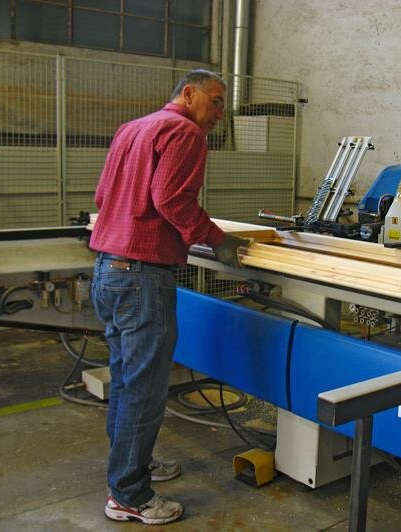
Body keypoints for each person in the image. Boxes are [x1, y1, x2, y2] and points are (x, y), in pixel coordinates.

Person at [89, 69, 248, 525]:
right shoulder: (184, 132)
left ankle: (132, 466)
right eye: (215, 102)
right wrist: (218, 239)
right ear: (188, 94)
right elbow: (172, 200)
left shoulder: (131, 129)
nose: (220, 114)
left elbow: (102, 196)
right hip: (142, 276)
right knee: (144, 389)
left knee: (126, 380)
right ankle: (129, 494)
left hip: (108, 270)